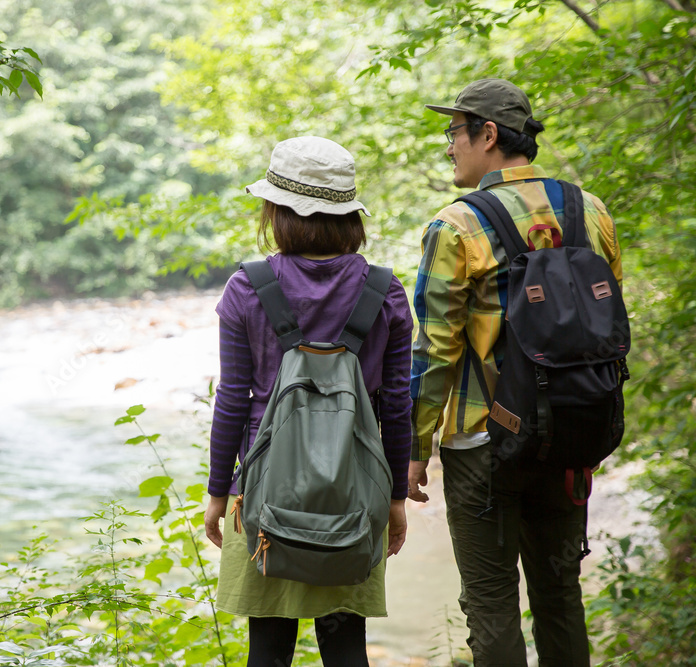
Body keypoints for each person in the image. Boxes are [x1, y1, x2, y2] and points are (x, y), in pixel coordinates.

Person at [409, 79, 623, 666]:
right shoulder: (590, 210)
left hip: (484, 443)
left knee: (491, 604)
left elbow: (433, 350)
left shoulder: (456, 225)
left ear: (487, 134)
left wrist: (412, 448)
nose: (448, 145)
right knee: (560, 596)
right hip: (572, 434)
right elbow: (606, 320)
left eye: (454, 132)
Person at [203, 136, 413, 667]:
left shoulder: (248, 287)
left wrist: (218, 491)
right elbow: (395, 405)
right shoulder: (384, 292)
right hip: (354, 492)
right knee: (346, 651)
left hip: (264, 489)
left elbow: (232, 398)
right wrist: (394, 498)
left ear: (279, 211)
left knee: (267, 652)